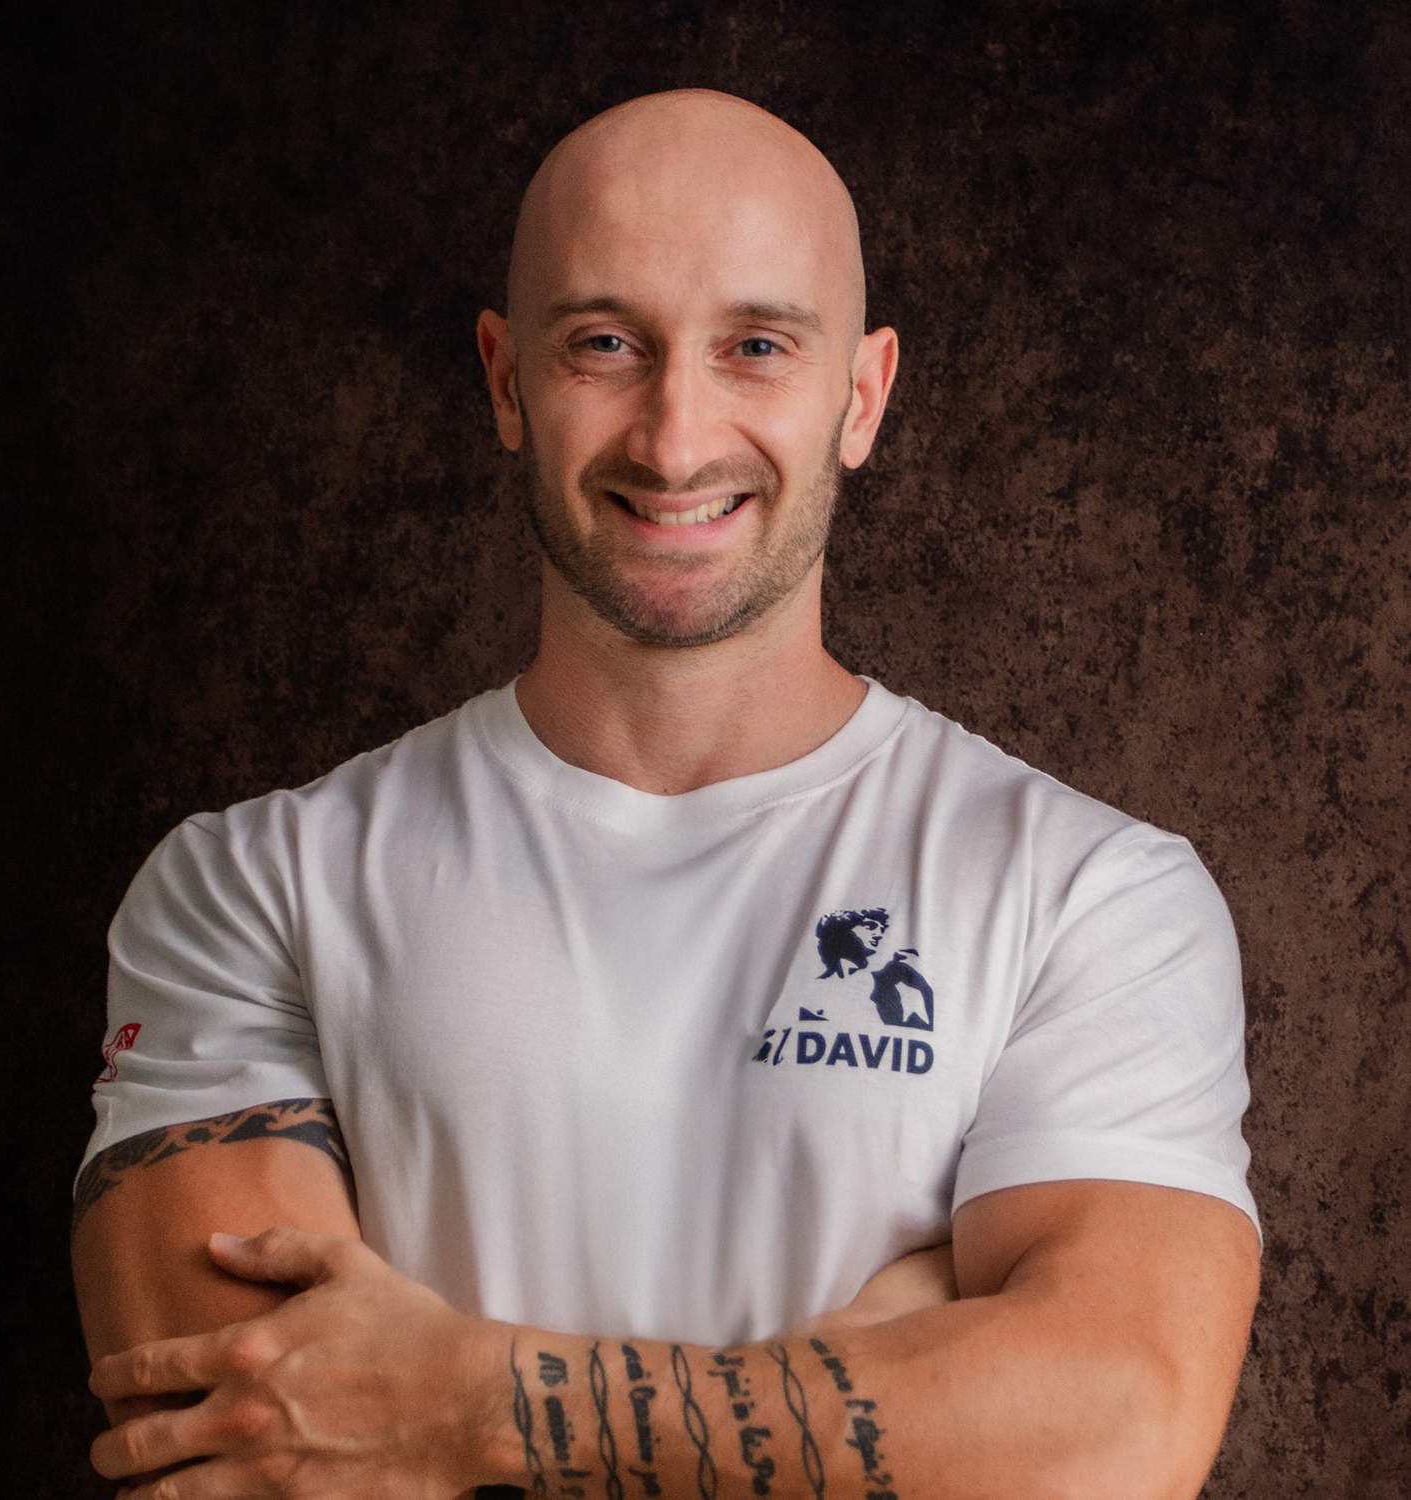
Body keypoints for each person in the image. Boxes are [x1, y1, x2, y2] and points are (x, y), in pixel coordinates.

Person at [72, 89, 1260, 1500]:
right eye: (606, 345)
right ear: (506, 381)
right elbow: (249, 1453)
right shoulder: (249, 890)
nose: (676, 437)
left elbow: (1116, 1429)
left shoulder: (1090, 897)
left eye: (757, 346)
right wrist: (906, 1384)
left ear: (861, 395)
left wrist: (469, 1403)